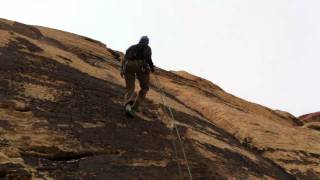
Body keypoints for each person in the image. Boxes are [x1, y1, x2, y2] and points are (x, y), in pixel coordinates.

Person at [120, 36, 155, 117]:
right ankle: (134, 108)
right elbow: (147, 57)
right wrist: (152, 67)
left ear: (140, 40)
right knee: (144, 88)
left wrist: (122, 70)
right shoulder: (146, 47)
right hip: (140, 66)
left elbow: (124, 59)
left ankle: (128, 105)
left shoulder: (131, 47)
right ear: (147, 42)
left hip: (128, 66)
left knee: (130, 88)